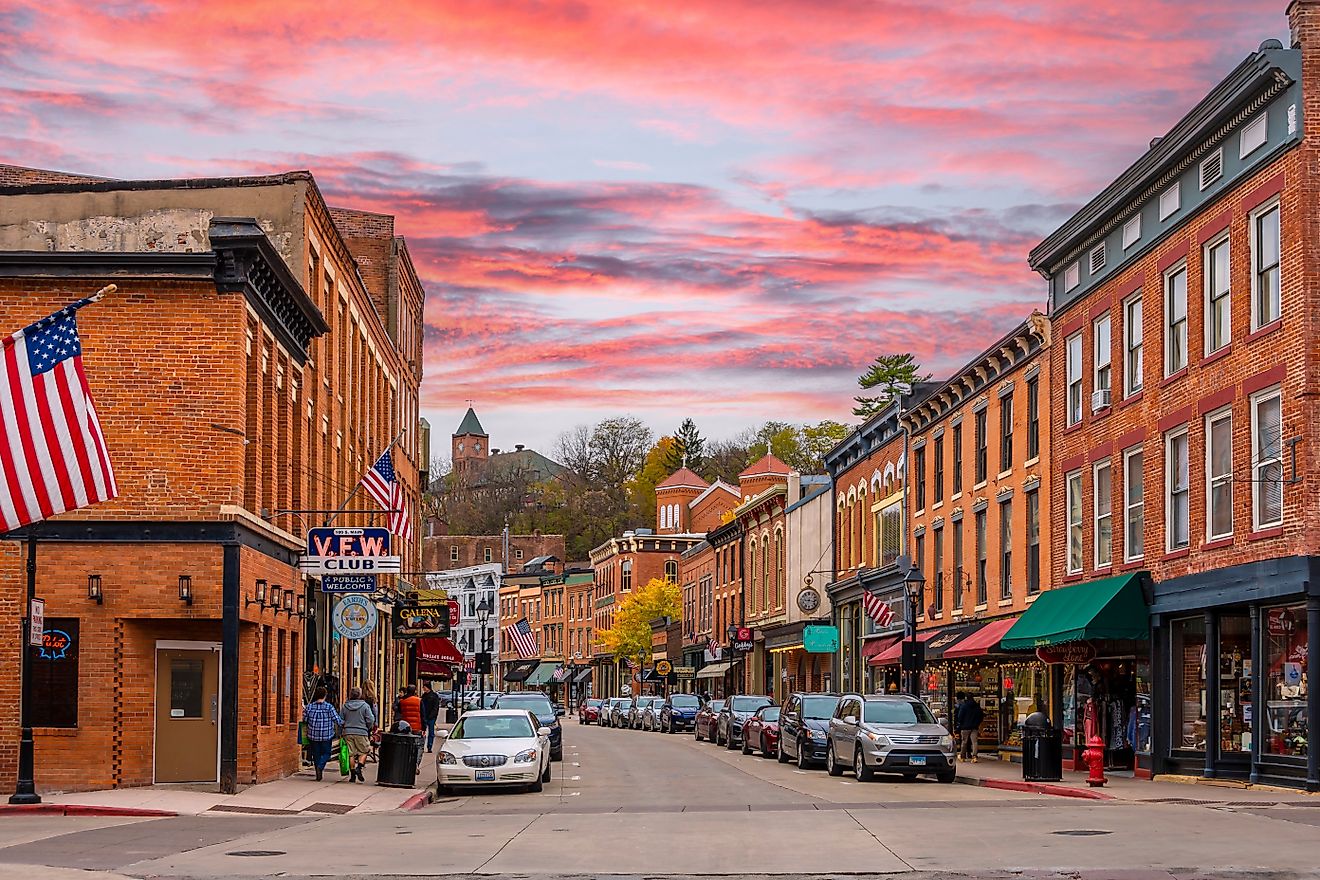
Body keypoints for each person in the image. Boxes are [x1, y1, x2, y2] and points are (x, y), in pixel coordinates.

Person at [302, 686, 343, 781]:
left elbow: (304, 719)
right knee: (327, 753)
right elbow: (336, 719)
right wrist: (343, 723)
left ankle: (318, 772)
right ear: (325, 696)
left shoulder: (309, 707)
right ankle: (320, 767)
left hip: (313, 735)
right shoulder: (329, 707)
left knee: (316, 754)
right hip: (326, 735)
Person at [340, 687, 376, 783]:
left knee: (351, 753)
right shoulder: (365, 706)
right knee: (365, 750)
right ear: (360, 695)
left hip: (348, 732)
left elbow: (341, 720)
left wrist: (343, 728)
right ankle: (359, 768)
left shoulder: (345, 706)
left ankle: (352, 775)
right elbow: (371, 719)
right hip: (361, 731)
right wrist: (368, 727)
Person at [954, 691, 985, 763]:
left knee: (964, 742)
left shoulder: (964, 706)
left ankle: (962, 756)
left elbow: (960, 717)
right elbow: (981, 716)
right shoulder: (977, 706)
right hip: (974, 727)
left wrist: (961, 724)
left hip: (965, 727)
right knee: (975, 742)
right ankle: (974, 756)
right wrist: (977, 723)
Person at [420, 682, 442, 752]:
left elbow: (435, 707)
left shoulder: (434, 696)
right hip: (424, 716)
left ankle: (429, 747)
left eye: (424, 687)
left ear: (427, 687)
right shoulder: (424, 696)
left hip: (431, 717)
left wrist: (432, 715)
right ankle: (422, 746)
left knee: (431, 733)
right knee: (423, 732)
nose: (423, 689)